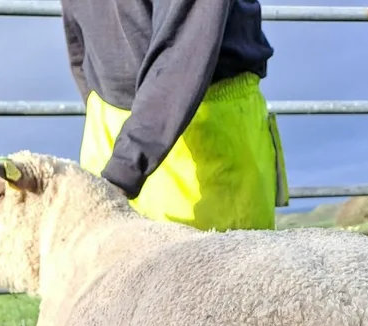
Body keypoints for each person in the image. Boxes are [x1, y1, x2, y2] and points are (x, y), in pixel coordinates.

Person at [61, 0, 288, 232]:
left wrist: (120, 171)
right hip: (110, 135)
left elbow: (185, 50)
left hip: (200, 130)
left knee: (212, 264)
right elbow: (77, 30)